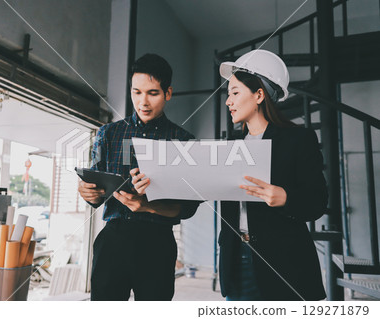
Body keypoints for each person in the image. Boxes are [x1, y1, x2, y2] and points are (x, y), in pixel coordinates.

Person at [78, 53, 199, 301]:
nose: (143, 101)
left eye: (152, 93)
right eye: (136, 92)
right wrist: (88, 192)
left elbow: (187, 208)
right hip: (112, 239)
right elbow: (96, 192)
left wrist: (147, 205)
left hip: (157, 244)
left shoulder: (183, 141)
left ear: (168, 93)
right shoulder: (108, 133)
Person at [217, 50, 327, 301]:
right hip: (236, 260)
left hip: (285, 263)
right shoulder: (229, 147)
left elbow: (318, 202)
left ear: (258, 95)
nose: (228, 101)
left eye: (234, 93)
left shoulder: (299, 140)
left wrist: (285, 197)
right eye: (228, 94)